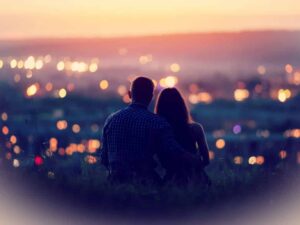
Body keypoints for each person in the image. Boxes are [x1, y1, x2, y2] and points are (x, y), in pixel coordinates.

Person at [100, 77, 199, 185]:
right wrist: (194, 159)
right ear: (151, 96)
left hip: (114, 182)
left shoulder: (111, 120)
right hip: (144, 182)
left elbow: (104, 158)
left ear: (129, 94)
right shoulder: (157, 123)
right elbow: (174, 151)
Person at [155, 88, 210, 185]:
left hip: (171, 180)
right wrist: (193, 166)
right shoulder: (195, 128)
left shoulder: (159, 131)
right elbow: (206, 159)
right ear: (182, 105)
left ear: (160, 108)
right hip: (197, 179)